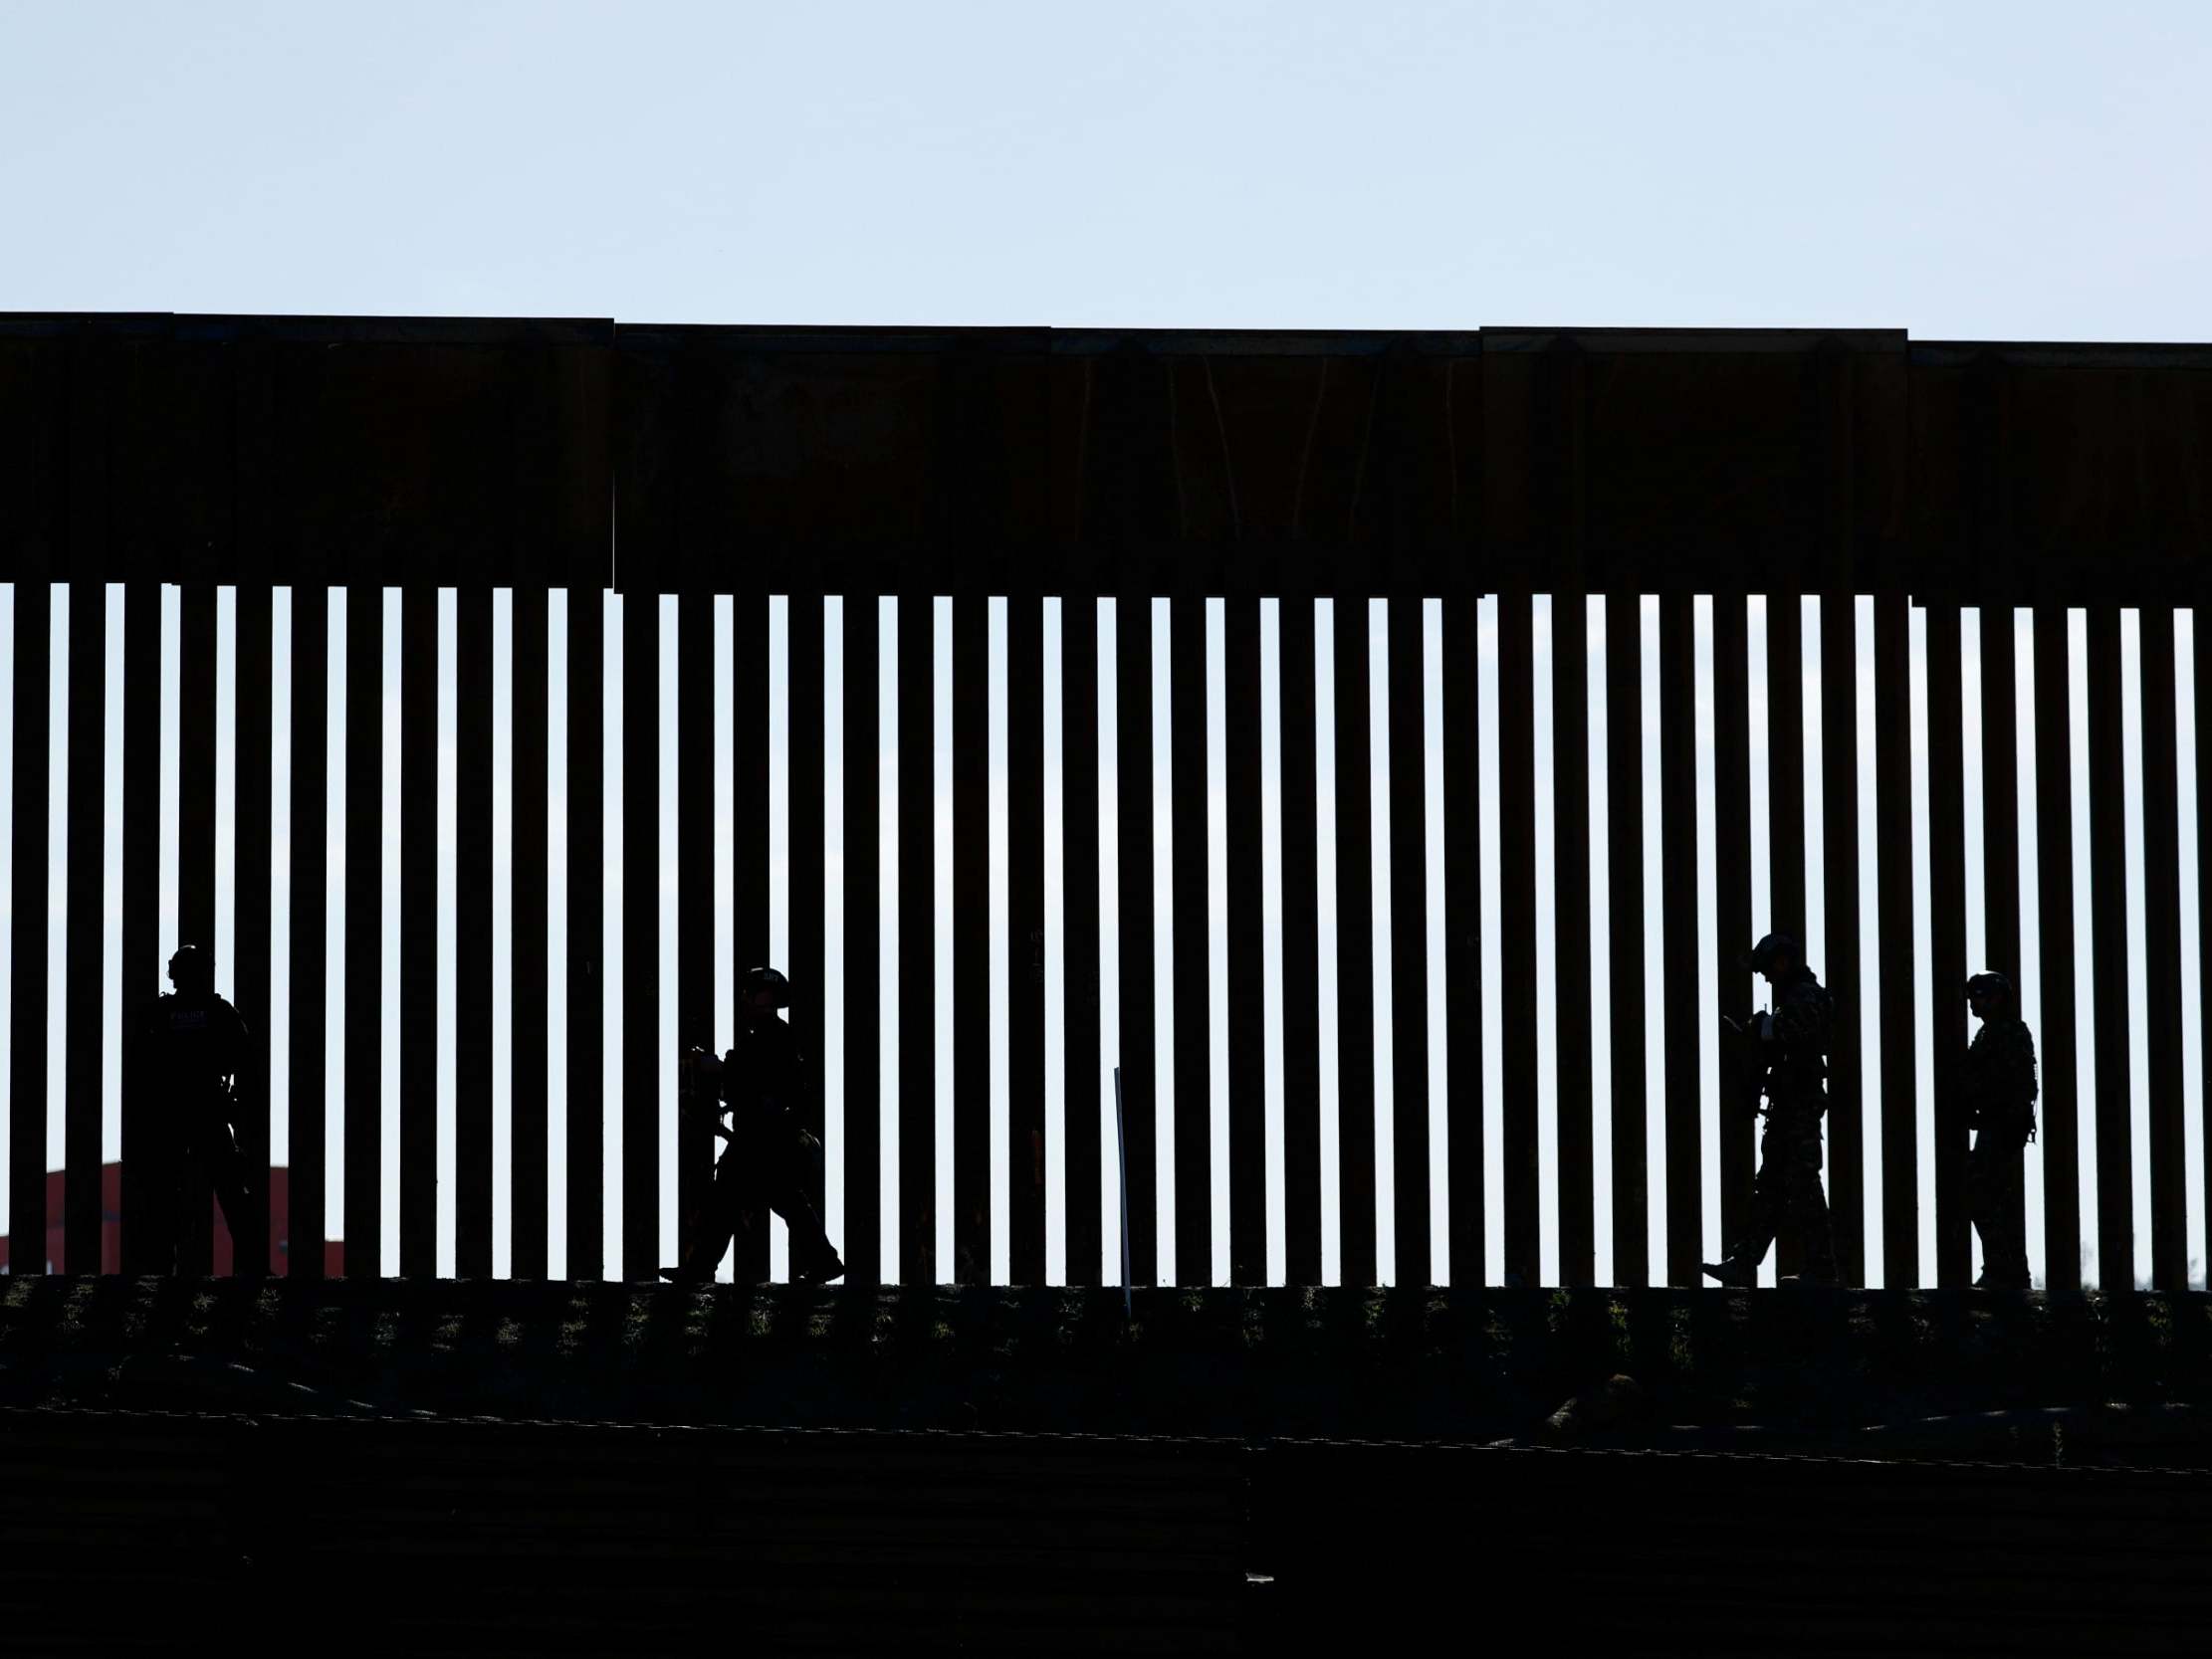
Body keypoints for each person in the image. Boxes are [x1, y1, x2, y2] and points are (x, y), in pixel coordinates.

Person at [661, 966, 844, 1285]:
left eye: (753, 993)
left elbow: (754, 1082)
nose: (747, 998)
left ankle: (700, 1268)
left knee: (734, 1198)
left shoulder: (771, 1036)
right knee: (769, 1198)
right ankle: (824, 1261)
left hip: (764, 1137)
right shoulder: (769, 1035)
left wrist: (717, 1068)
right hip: (765, 1136)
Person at [1703, 933, 1839, 1288]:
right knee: (1771, 1189)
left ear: (1782, 962)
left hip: (1799, 1106)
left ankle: (1821, 1270)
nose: (1765, 977)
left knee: (1803, 1185)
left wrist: (1764, 1027)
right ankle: (1744, 1262)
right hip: (1787, 1105)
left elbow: (1802, 1033)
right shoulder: (1795, 996)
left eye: (1767, 969)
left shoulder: (1807, 996)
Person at [136, 943, 257, 1273]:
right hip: (206, 1111)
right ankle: (251, 1263)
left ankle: (161, 1265)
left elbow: (141, 1064)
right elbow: (243, 1056)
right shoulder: (218, 1012)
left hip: (170, 1115)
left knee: (164, 1191)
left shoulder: (160, 1013)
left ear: (173, 975)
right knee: (231, 1189)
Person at [1963, 970, 2038, 1290]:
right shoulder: (1994, 1032)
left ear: (1997, 998)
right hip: (1998, 1124)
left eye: (1979, 995)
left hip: (2002, 1126)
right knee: (1994, 1196)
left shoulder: (2007, 1033)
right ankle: (2010, 1269)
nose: (1973, 1003)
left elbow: (2013, 1084)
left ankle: (2001, 1268)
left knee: (1982, 1194)